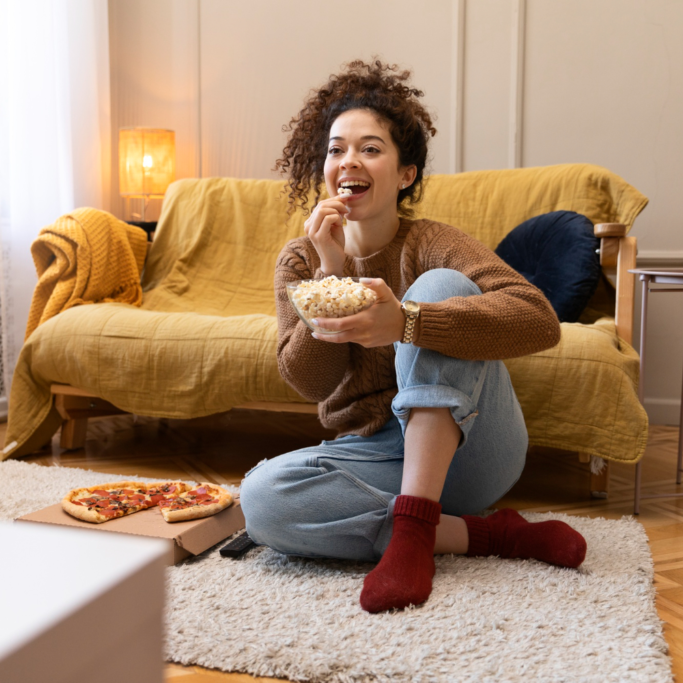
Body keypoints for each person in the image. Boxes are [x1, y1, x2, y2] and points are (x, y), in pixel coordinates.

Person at [239, 60, 586, 614]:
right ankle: (489, 535)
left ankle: (415, 530)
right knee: (260, 502)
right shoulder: (300, 260)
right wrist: (329, 279)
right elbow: (311, 381)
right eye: (335, 149)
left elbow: (538, 319)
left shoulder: (433, 241)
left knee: (441, 285)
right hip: (378, 457)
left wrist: (407, 323)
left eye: (370, 148)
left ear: (406, 174)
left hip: (474, 450)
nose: (348, 160)